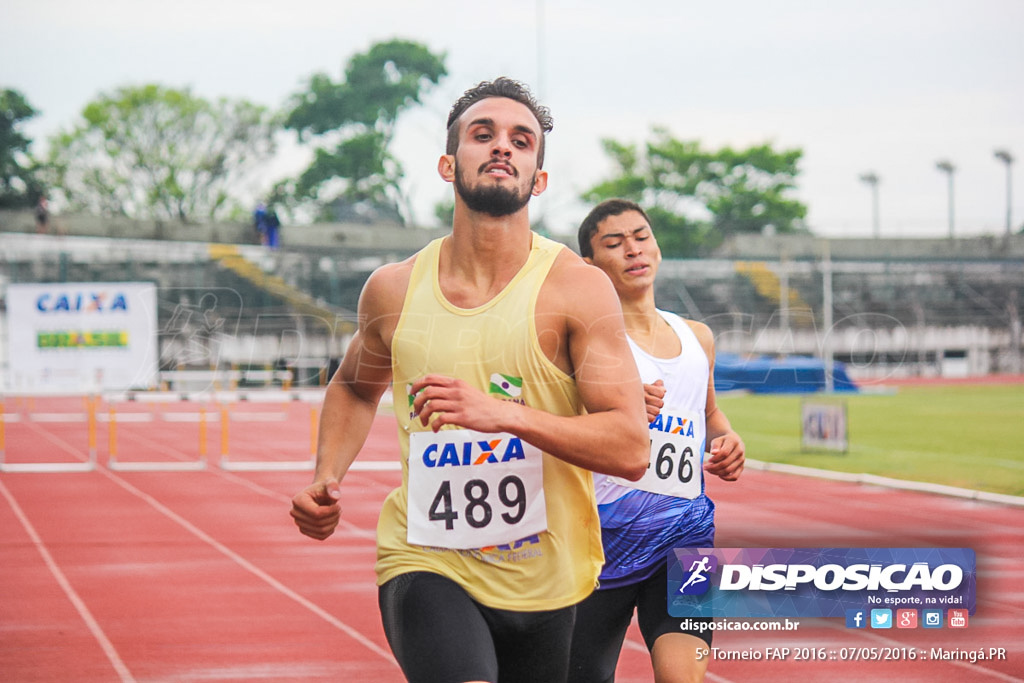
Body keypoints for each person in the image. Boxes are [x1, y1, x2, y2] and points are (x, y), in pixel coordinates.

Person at [290, 78, 649, 683]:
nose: (502, 147)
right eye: (483, 135)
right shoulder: (394, 289)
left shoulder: (577, 289)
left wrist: (503, 414)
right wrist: (326, 476)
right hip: (427, 559)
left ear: (539, 177)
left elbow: (631, 446)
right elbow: (355, 387)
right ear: (448, 163)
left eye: (521, 140)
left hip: (547, 578)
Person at [568, 199, 745, 683]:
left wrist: (727, 439)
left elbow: (709, 414)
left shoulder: (698, 337)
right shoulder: (584, 341)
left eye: (641, 236)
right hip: (602, 543)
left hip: (686, 538)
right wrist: (612, 411)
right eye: (614, 242)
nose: (632, 249)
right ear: (590, 264)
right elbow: (559, 423)